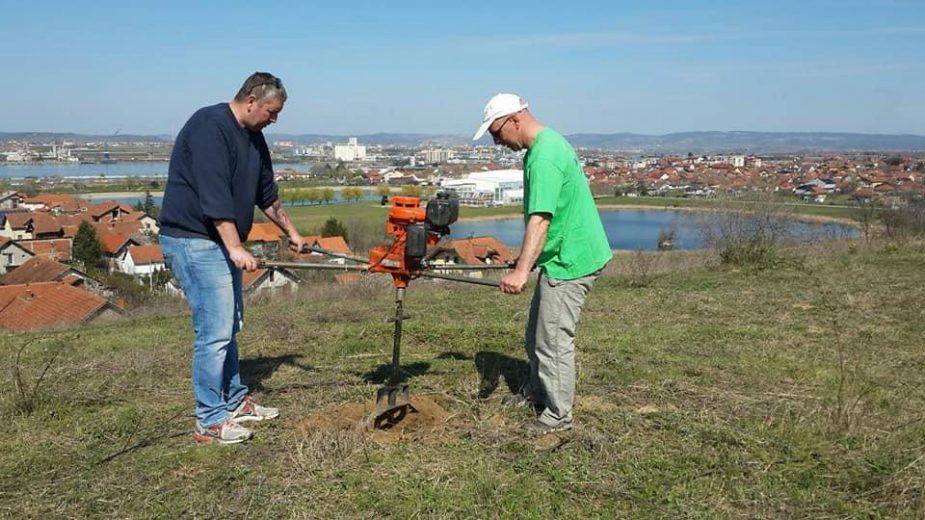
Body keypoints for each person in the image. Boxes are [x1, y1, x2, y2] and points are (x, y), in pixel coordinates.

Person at [159, 72, 306, 444]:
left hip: (219, 242)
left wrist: (291, 231)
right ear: (252, 100)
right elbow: (214, 194)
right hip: (193, 240)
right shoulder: (210, 126)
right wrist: (235, 247)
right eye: (272, 112)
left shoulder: (254, 139)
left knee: (229, 325)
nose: (274, 120)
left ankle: (234, 401)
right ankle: (209, 419)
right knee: (214, 333)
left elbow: (267, 193)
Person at [473, 93, 613, 435]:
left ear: (515, 120)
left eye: (495, 133)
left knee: (551, 341)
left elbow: (541, 218)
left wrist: (522, 271)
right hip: (562, 255)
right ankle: (538, 391)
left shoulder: (545, 156)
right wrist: (525, 259)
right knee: (537, 331)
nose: (496, 142)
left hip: (571, 261)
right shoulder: (544, 146)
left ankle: (557, 416)